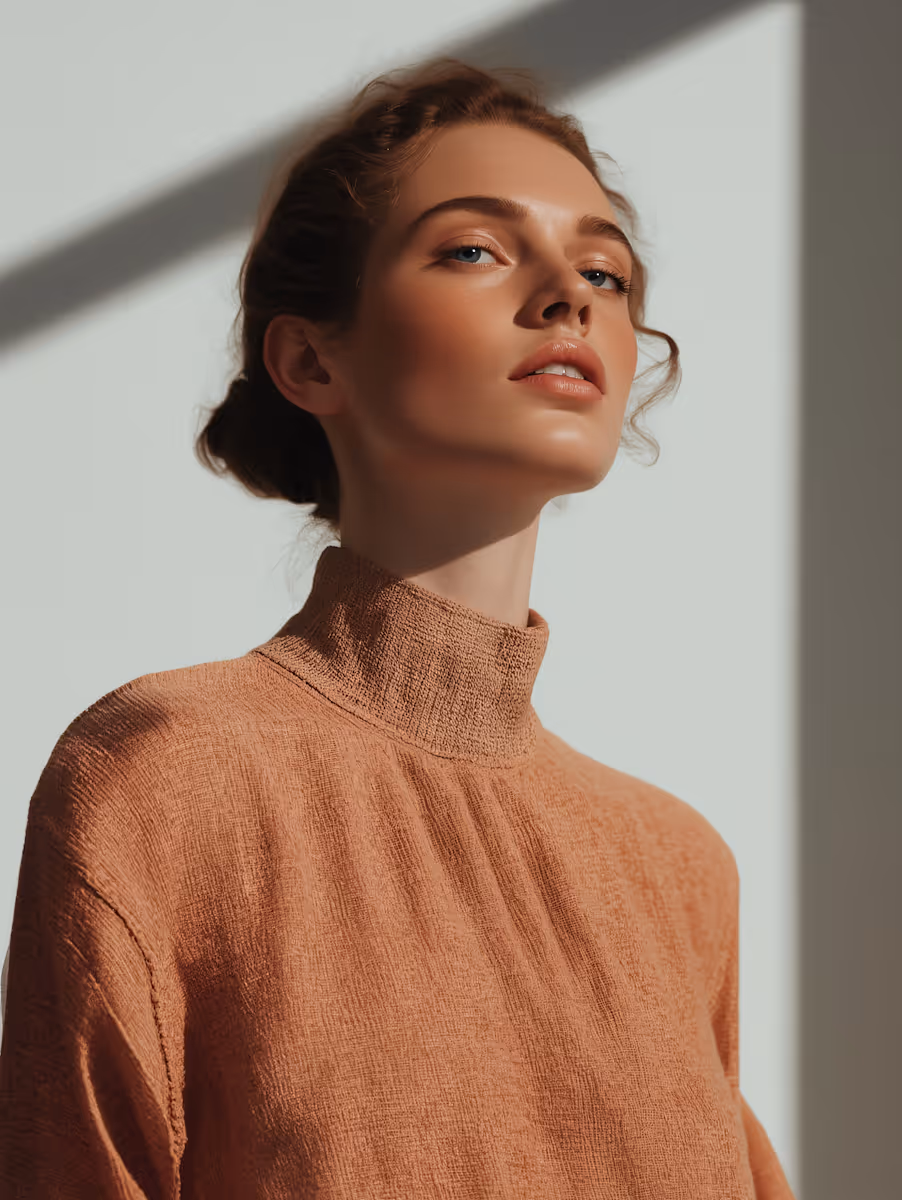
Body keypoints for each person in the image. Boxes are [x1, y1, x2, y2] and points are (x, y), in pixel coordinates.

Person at [0, 56, 794, 1198]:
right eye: (473, 249)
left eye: (605, 272)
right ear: (309, 358)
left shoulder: (676, 868)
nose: (568, 296)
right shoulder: (163, 776)